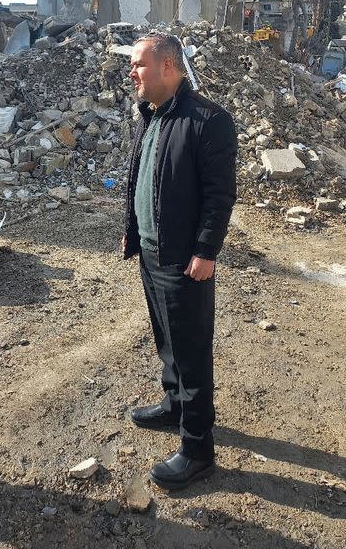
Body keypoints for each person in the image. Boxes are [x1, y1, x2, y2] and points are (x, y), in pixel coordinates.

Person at [123, 31, 237, 491]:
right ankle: (174, 404)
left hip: (184, 261)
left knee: (191, 351)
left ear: (168, 66)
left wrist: (206, 251)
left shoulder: (208, 120)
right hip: (152, 253)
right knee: (166, 340)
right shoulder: (152, 115)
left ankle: (197, 448)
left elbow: (219, 195)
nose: (132, 73)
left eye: (139, 65)